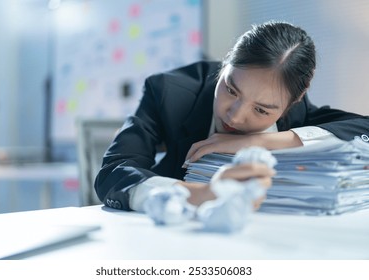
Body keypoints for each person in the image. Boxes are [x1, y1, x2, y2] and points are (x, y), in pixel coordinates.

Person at [94, 21, 369, 212]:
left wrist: (257, 142)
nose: (235, 117)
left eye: (261, 110)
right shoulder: (169, 92)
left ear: (293, 100)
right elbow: (113, 171)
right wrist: (200, 194)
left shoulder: (298, 111)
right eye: (230, 89)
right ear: (226, 62)